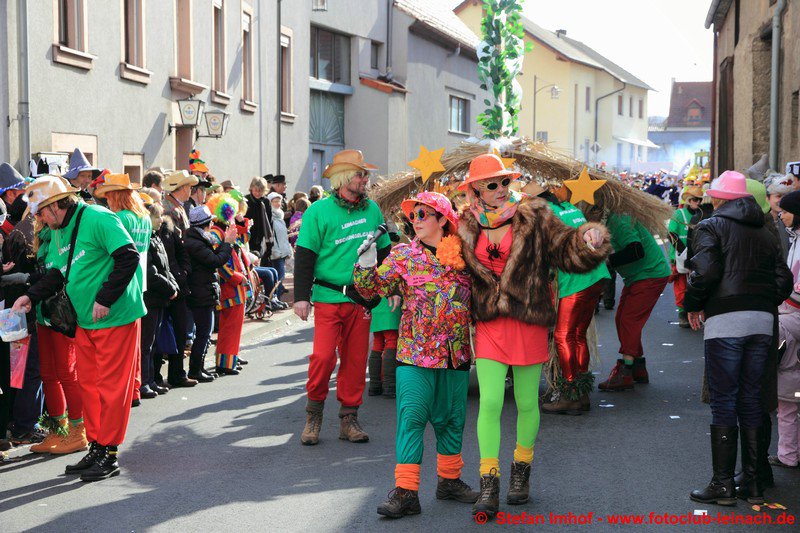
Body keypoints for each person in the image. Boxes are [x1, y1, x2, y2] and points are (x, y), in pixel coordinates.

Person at [457, 154, 610, 518]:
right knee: (490, 402)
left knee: (527, 402)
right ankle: (489, 482)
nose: (501, 189)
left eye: (504, 182)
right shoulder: (465, 223)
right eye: (492, 184)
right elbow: (447, 261)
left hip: (528, 319)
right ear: (475, 189)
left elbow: (565, 248)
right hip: (490, 322)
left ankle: (521, 471)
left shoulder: (535, 214)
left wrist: (589, 238)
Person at [15, 175, 147, 482]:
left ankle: (109, 453)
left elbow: (128, 257)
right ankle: (97, 445)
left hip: (115, 317)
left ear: (56, 205)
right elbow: (57, 273)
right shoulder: (58, 229)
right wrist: (30, 296)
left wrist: (105, 298)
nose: (39, 220)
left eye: (41, 212)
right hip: (85, 320)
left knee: (112, 389)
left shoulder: (98, 217)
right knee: (90, 385)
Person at [354, 192, 478, 518]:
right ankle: (406, 491)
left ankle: (449, 481)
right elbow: (371, 290)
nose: (416, 220)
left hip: (455, 354)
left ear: (443, 219)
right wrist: (365, 264)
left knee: (452, 420)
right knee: (411, 419)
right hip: (415, 353)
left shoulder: (466, 255)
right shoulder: (404, 256)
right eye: (413, 215)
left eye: (423, 214)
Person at [686, 171, 792, 506]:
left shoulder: (711, 226)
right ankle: (753, 481)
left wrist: (692, 304)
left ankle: (722, 484)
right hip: (762, 320)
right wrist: (760, 300)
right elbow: (784, 279)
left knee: (724, 401)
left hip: (726, 320)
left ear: (720, 199)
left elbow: (705, 272)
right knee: (751, 399)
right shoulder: (765, 231)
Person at [294, 149, 390, 445]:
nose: (365, 179)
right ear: (344, 177)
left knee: (355, 361)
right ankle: (314, 414)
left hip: (361, 300)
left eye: (366, 174)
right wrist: (301, 297)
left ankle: (349, 418)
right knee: (323, 358)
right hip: (328, 296)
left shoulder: (372, 210)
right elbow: (305, 255)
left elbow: (385, 252)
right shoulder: (318, 211)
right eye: (360, 174)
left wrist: (390, 287)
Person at [536, 184, 611, 415]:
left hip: (576, 279)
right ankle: (582, 393)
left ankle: (570, 395)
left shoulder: (545, 215)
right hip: (595, 275)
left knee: (563, 336)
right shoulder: (569, 207)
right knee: (578, 335)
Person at [595, 212, 672, 391]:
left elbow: (636, 250)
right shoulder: (614, 219)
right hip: (638, 276)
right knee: (621, 319)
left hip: (650, 274)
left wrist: (607, 261)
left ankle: (626, 371)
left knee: (629, 320)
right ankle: (638, 367)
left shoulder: (618, 220)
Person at [94, 175, 152, 404]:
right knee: (135, 346)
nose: (107, 201)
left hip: (120, 286)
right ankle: (136, 388)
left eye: (108, 196)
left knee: (120, 351)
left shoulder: (119, 218)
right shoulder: (144, 218)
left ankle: (127, 394)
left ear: (115, 195)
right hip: (139, 282)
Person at [184, 205, 235, 381]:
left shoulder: (197, 239)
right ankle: (195, 369)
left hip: (203, 290)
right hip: (200, 292)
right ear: (206, 223)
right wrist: (227, 243)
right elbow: (215, 260)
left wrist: (225, 244)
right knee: (204, 333)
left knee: (205, 333)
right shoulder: (196, 243)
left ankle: (199, 368)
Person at [158, 170, 197, 388]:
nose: (191, 190)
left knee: (177, 328)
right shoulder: (170, 210)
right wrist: (182, 273)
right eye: (188, 186)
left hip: (176, 274)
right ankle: (172, 374)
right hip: (174, 277)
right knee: (173, 327)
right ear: (180, 188)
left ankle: (174, 373)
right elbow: (174, 248)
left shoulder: (177, 207)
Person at [138, 194, 179, 398]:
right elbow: (151, 272)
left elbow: (165, 267)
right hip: (151, 297)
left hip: (159, 297)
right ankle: (143, 382)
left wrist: (172, 285)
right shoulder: (146, 239)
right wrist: (170, 288)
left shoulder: (156, 237)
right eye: (156, 216)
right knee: (146, 344)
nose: (161, 220)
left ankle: (151, 380)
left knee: (153, 343)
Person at [771, 190, 800, 469]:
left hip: (791, 319)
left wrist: (780, 300)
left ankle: (788, 455)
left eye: (786, 211)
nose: (781, 215)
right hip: (790, 314)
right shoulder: (794, 239)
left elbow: (794, 288)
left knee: (788, 399)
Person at [206, 193, 250, 375]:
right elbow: (219, 263)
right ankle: (225, 363)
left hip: (235, 286)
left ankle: (230, 359)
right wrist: (236, 278)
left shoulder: (224, 230)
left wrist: (242, 224)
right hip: (229, 286)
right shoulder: (216, 234)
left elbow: (243, 240)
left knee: (234, 326)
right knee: (230, 326)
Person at [668, 186, 705, 328]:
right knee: (681, 287)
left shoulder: (702, 215)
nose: (698, 202)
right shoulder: (679, 214)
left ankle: (694, 311)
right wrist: (682, 252)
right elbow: (671, 233)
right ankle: (682, 313)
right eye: (695, 199)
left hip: (696, 256)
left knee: (695, 286)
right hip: (680, 257)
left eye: (700, 199)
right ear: (689, 200)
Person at [268, 192, 292, 301]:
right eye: (275, 201)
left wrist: (287, 251)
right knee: (278, 277)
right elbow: (272, 237)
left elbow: (283, 236)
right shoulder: (270, 217)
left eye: (279, 201)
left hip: (282, 252)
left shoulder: (280, 216)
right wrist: (276, 251)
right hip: (275, 253)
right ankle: (275, 299)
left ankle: (276, 299)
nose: (278, 203)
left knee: (280, 277)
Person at [244, 176, 274, 264]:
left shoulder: (266, 202)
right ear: (251, 188)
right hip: (247, 237)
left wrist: (269, 242)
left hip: (261, 238)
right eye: (255, 190)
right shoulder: (246, 200)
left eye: (260, 191)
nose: (257, 193)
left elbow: (270, 222)